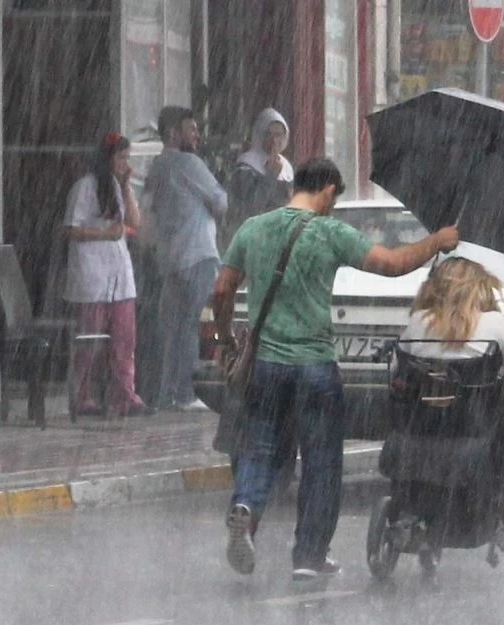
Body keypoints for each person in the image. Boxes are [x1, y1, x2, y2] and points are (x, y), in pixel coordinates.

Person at [212, 157, 459, 580]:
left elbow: (222, 289)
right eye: (334, 197)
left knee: (260, 447)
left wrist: (226, 338)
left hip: (267, 365)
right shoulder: (329, 232)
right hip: (315, 368)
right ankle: (309, 555)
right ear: (327, 189)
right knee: (322, 462)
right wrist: (436, 241)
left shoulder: (253, 228)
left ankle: (247, 507)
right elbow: (395, 264)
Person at [144, 106, 228, 411]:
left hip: (170, 258)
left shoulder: (157, 166)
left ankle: (170, 392)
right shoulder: (189, 163)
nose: (196, 135)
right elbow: (220, 200)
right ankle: (188, 392)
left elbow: (149, 210)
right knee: (195, 324)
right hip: (198, 253)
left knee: (175, 328)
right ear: (172, 134)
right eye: (190, 129)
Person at [63, 132, 151, 417]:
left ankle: (124, 394)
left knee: (124, 339)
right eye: (121, 157)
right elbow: (71, 229)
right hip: (92, 274)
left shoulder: (119, 186)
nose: (126, 163)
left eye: (128, 158)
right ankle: (82, 395)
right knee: (89, 341)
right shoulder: (85, 187)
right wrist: (103, 233)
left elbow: (135, 221)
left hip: (119, 275)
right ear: (107, 158)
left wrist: (126, 187)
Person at [400, 256, 504, 386]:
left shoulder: (418, 321)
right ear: (477, 289)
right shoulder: (493, 323)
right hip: (483, 420)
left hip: (427, 419)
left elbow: (397, 368)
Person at [221, 108, 294, 249]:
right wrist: (270, 177)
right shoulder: (246, 166)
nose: (274, 140)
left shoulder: (286, 166)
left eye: (279, 134)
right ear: (259, 135)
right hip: (256, 242)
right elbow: (251, 208)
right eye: (268, 134)